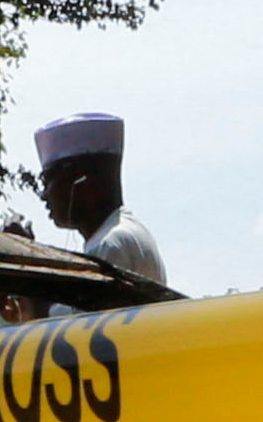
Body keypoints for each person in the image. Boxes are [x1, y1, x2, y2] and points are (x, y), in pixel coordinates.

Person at [31, 112, 170, 295]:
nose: (44, 194)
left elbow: (88, 323)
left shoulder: (109, 245)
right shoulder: (124, 234)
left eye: (48, 180)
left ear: (80, 177)